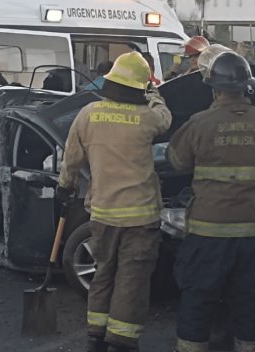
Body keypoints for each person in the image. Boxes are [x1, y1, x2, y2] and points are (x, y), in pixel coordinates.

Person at [56, 51, 172, 352]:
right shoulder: (147, 117)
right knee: (131, 279)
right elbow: (166, 120)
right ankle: (122, 340)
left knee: (103, 271)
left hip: (103, 214)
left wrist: (64, 188)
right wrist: (155, 93)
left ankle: (95, 334)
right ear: (138, 87)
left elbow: (71, 159)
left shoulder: (88, 114)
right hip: (140, 218)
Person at [166, 45, 255, 352]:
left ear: (214, 89)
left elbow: (177, 162)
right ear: (246, 87)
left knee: (198, 297)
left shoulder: (199, 123)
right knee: (251, 299)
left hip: (208, 231)